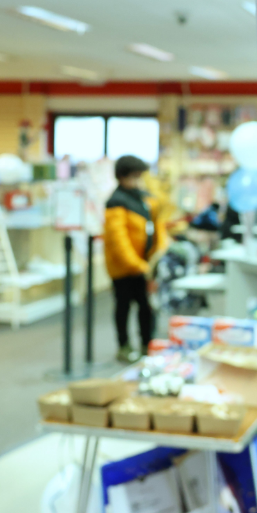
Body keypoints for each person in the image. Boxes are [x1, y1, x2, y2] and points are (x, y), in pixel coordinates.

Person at [103, 155, 168, 362]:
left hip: (146, 265)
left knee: (146, 308)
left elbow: (157, 225)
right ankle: (123, 346)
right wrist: (138, 265)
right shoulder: (116, 202)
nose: (137, 180)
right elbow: (118, 241)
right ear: (122, 177)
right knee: (123, 307)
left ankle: (147, 345)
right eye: (133, 176)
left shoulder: (145, 198)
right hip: (124, 269)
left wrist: (157, 254)